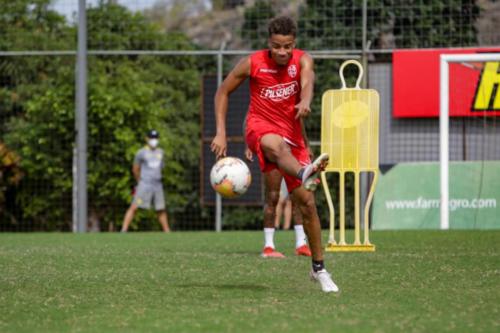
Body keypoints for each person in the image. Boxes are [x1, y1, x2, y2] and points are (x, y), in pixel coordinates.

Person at [211, 16, 339, 292]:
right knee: (273, 146)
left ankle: (319, 268)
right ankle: (303, 173)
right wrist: (221, 132)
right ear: (269, 43)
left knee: (307, 205)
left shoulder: (303, 60)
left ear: (294, 44)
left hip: (293, 137)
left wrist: (305, 100)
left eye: (288, 46)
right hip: (260, 128)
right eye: (277, 46)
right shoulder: (253, 62)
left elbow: (308, 81)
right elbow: (222, 92)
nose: (282, 52)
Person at [245, 147, 311, 257]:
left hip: (292, 150)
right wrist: (250, 146)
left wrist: (306, 146)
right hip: (273, 152)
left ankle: (301, 245)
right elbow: (254, 129)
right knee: (272, 197)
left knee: (298, 198)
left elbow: (300, 128)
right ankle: (269, 246)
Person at [122, 130, 171, 233]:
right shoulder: (141, 153)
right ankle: (124, 229)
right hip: (144, 184)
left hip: (157, 184)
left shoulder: (160, 152)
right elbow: (135, 169)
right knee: (134, 207)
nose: (154, 140)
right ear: (147, 139)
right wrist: (139, 181)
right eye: (152, 138)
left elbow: (162, 168)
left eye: (156, 138)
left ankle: (167, 231)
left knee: (161, 208)